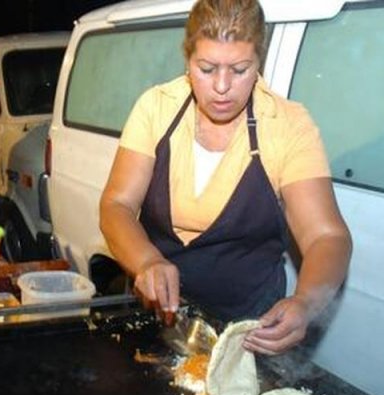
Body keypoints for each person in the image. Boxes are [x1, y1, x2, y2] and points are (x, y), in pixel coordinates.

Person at [99, 0, 352, 356]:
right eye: (206, 68)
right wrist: (146, 261)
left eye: (239, 69)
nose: (222, 86)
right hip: (156, 314)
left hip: (248, 329)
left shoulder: (287, 126)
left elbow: (327, 236)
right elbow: (117, 204)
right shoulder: (156, 108)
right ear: (187, 59)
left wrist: (306, 302)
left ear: (259, 61)